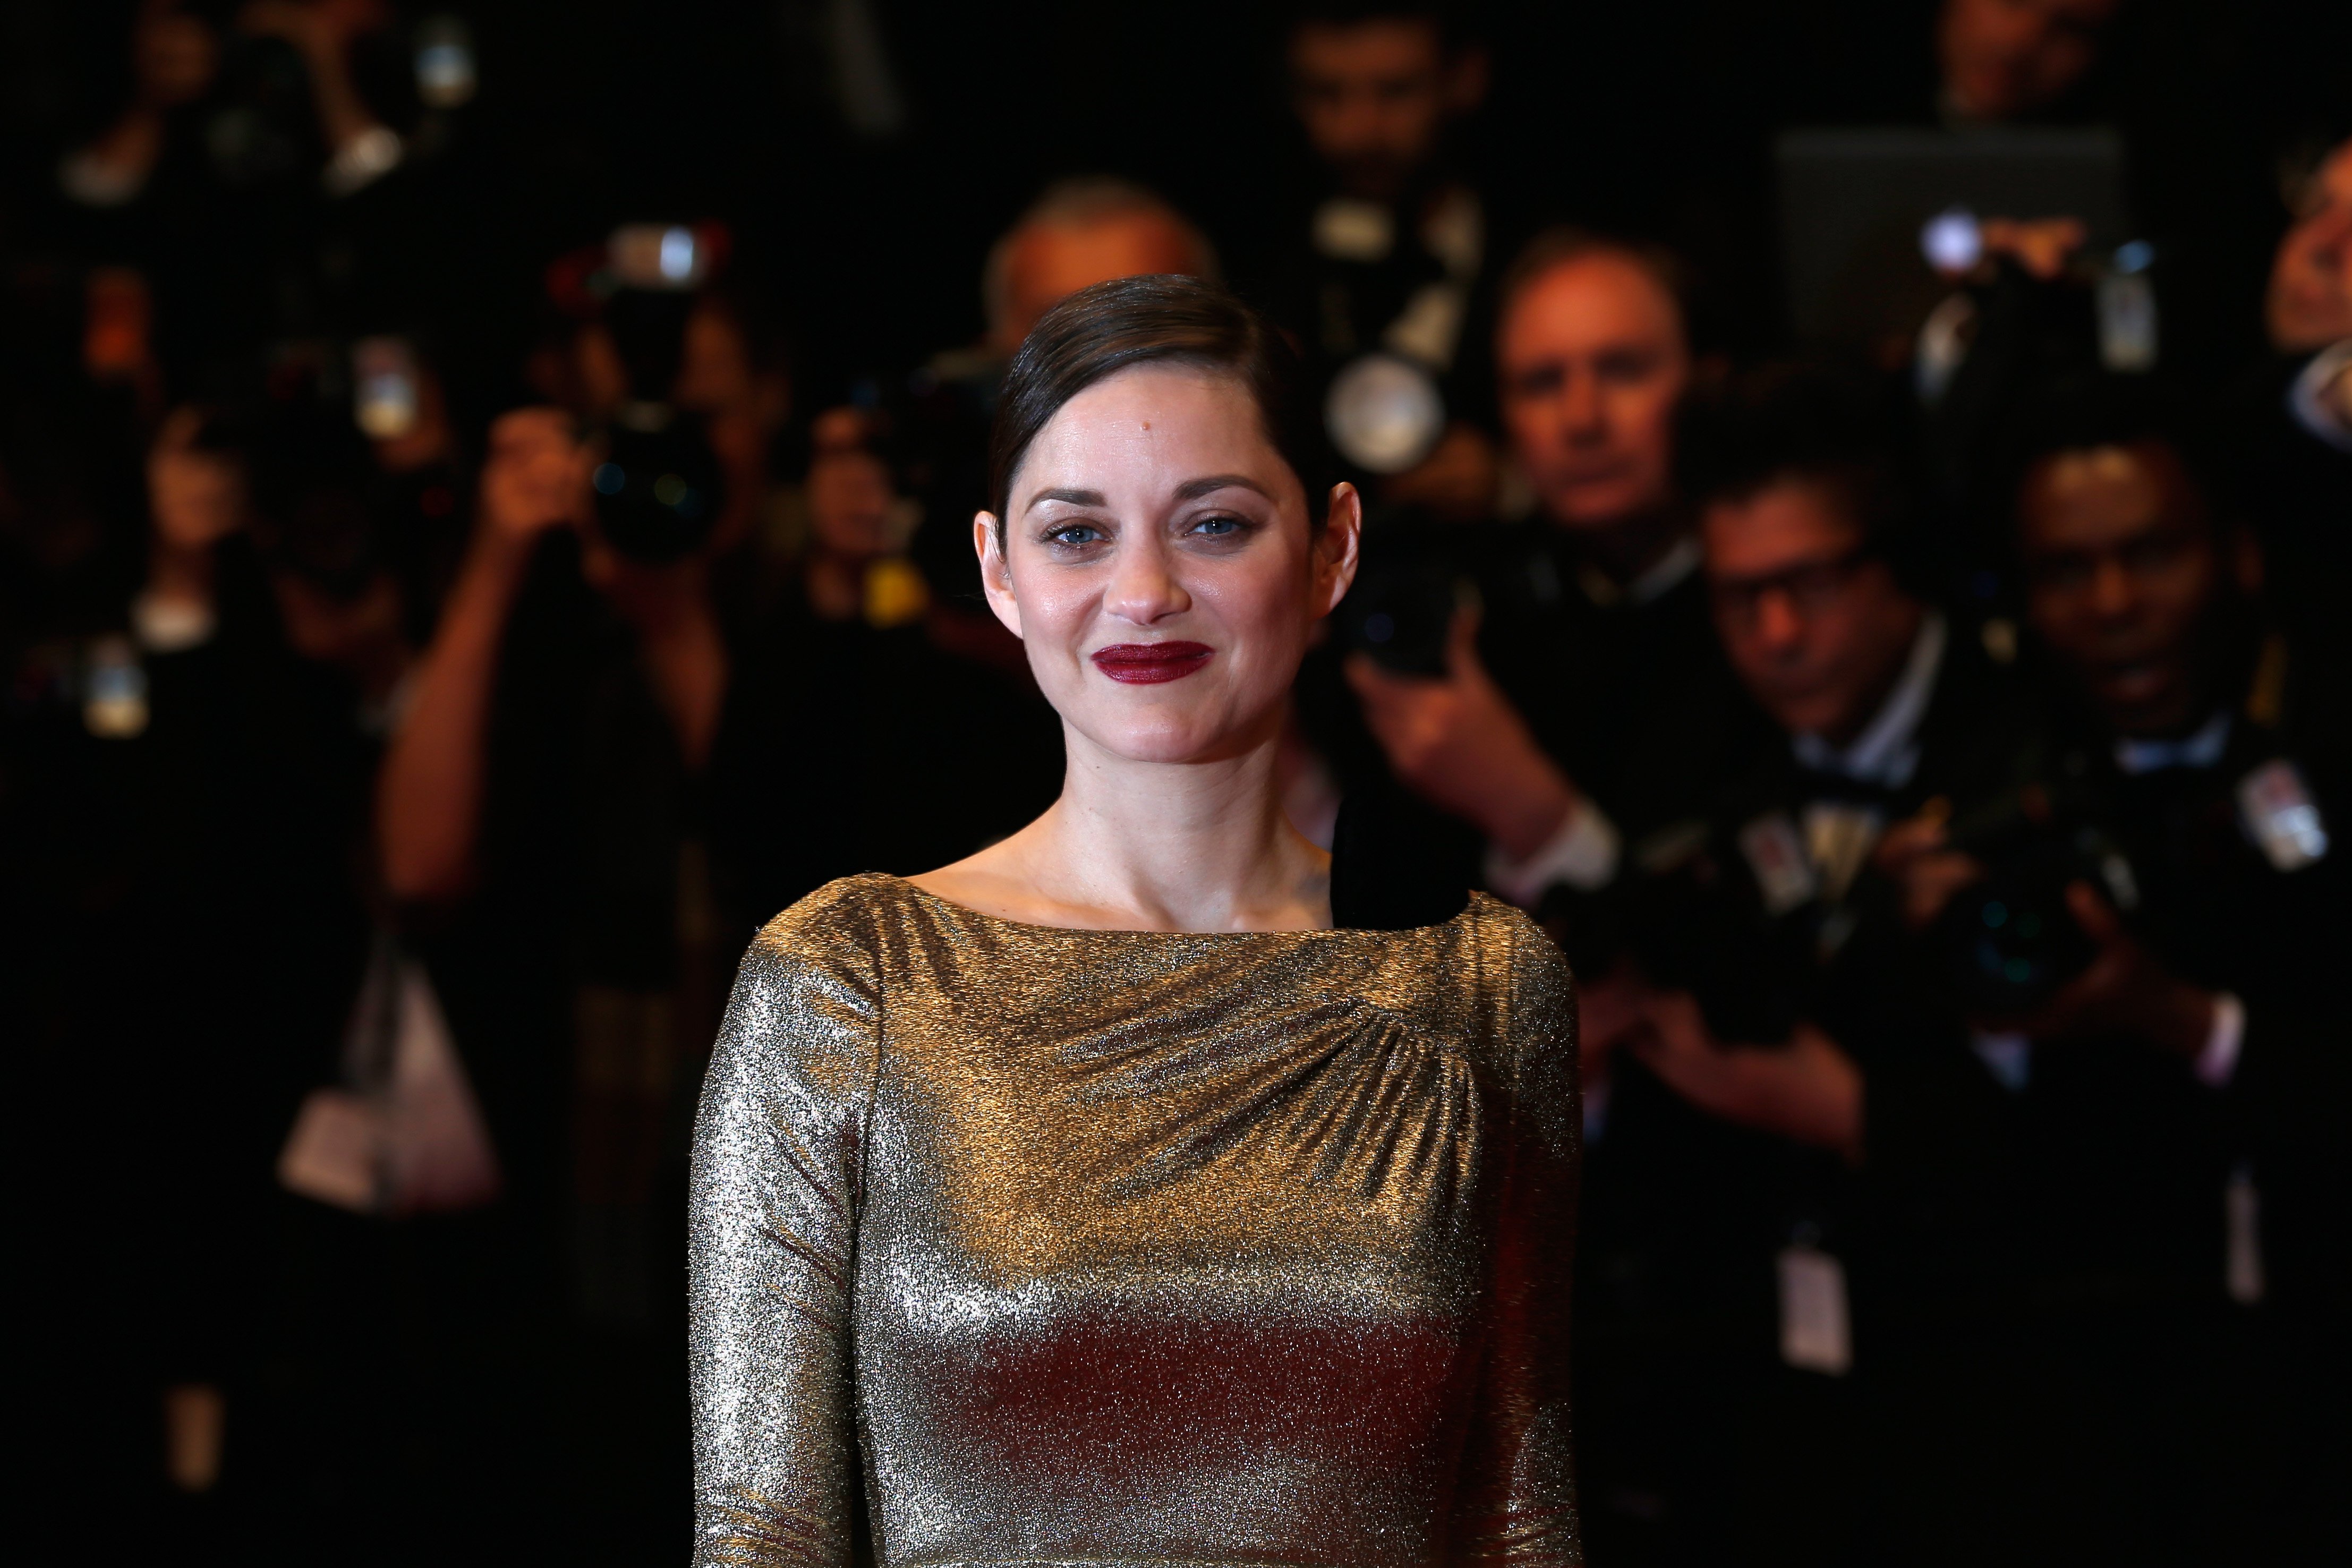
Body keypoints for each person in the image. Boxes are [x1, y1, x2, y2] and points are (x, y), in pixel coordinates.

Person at [688, 275, 1581, 1565]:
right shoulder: (849, 980)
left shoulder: (1482, 986)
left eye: (1213, 524)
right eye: (1075, 533)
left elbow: (1521, 1520)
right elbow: (760, 1531)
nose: (1146, 588)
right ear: (996, 567)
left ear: (1332, 544)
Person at [1334, 228, 1767, 929]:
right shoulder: (1467, 611)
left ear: (1706, 381)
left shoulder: (1774, 613)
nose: (1581, 419)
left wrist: (1526, 810)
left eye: (1623, 370)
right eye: (1542, 383)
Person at [1268, 1, 1501, 518]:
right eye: (1327, 95)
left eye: (1396, 92)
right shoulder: (1261, 274)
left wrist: (1518, 480)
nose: (1358, 131)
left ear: (1464, 79)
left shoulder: (1530, 256)